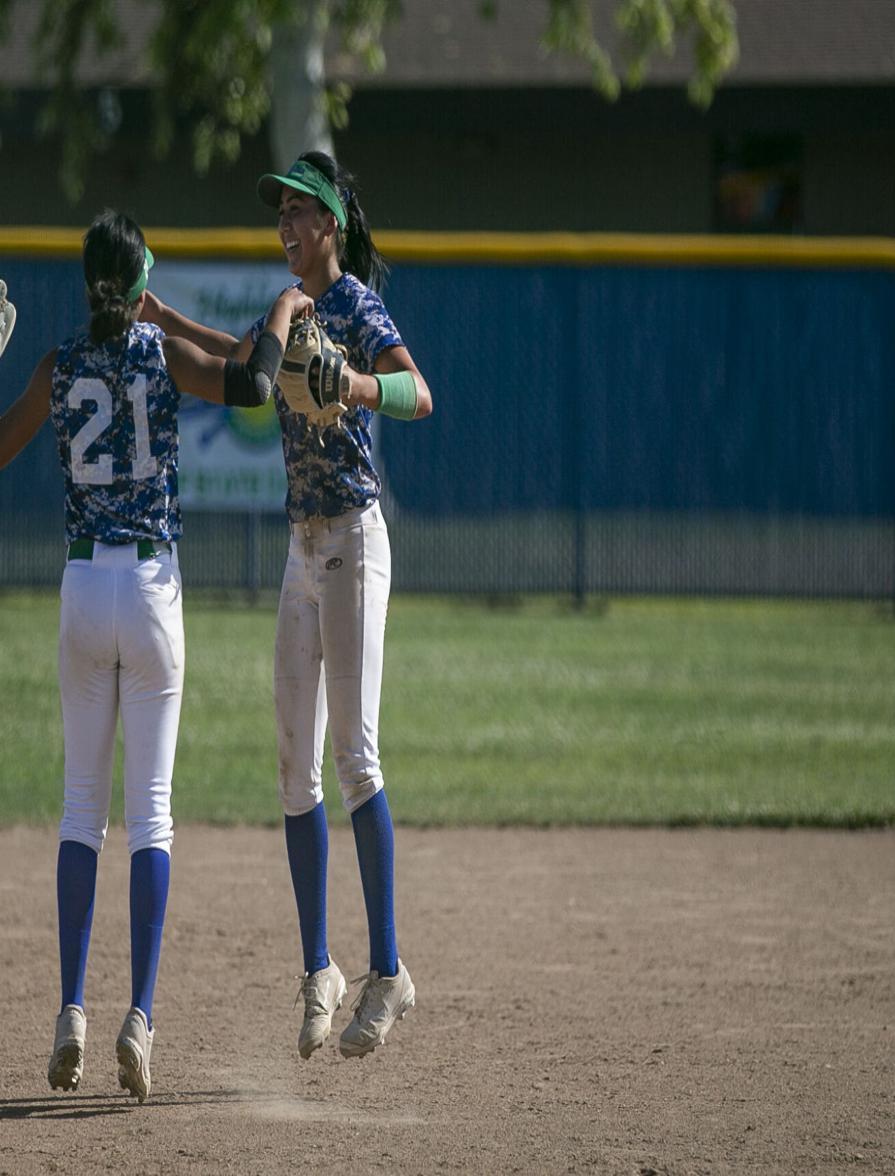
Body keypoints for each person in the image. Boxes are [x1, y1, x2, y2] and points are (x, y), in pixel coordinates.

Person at [0, 209, 312, 1103]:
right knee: (153, 818)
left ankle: (69, 1012)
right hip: (150, 590)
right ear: (139, 286)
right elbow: (254, 386)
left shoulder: (57, 365)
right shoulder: (157, 354)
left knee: (77, 814)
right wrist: (284, 311)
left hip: (80, 591)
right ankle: (138, 1017)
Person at [142, 150, 433, 1061]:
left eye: (301, 213)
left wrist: (351, 383)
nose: (287, 227)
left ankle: (389, 972)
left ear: (331, 226)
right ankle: (321, 969)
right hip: (302, 548)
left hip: (354, 540)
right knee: (291, 769)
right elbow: (242, 364)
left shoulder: (352, 306)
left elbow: (418, 392)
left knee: (355, 755)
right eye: (281, 215)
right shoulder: (292, 307)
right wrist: (159, 315)